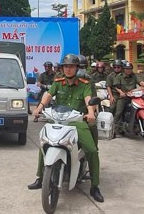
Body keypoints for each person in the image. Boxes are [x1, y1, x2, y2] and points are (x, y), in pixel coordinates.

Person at [27, 54, 104, 203]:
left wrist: (90, 112)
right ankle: (40, 177)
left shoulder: (85, 83)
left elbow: (89, 99)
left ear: (77, 68)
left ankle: (95, 186)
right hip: (58, 119)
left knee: (92, 150)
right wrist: (39, 107)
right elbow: (48, 95)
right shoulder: (58, 81)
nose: (68, 69)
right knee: (45, 143)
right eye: (66, 66)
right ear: (62, 68)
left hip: (77, 122)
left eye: (72, 66)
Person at [113, 62, 144, 135]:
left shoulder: (134, 76)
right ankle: (114, 129)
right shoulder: (119, 76)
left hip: (133, 97)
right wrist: (121, 92)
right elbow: (117, 87)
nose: (128, 70)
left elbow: (140, 82)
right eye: (127, 69)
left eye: (130, 69)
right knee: (119, 111)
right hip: (124, 97)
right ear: (124, 69)